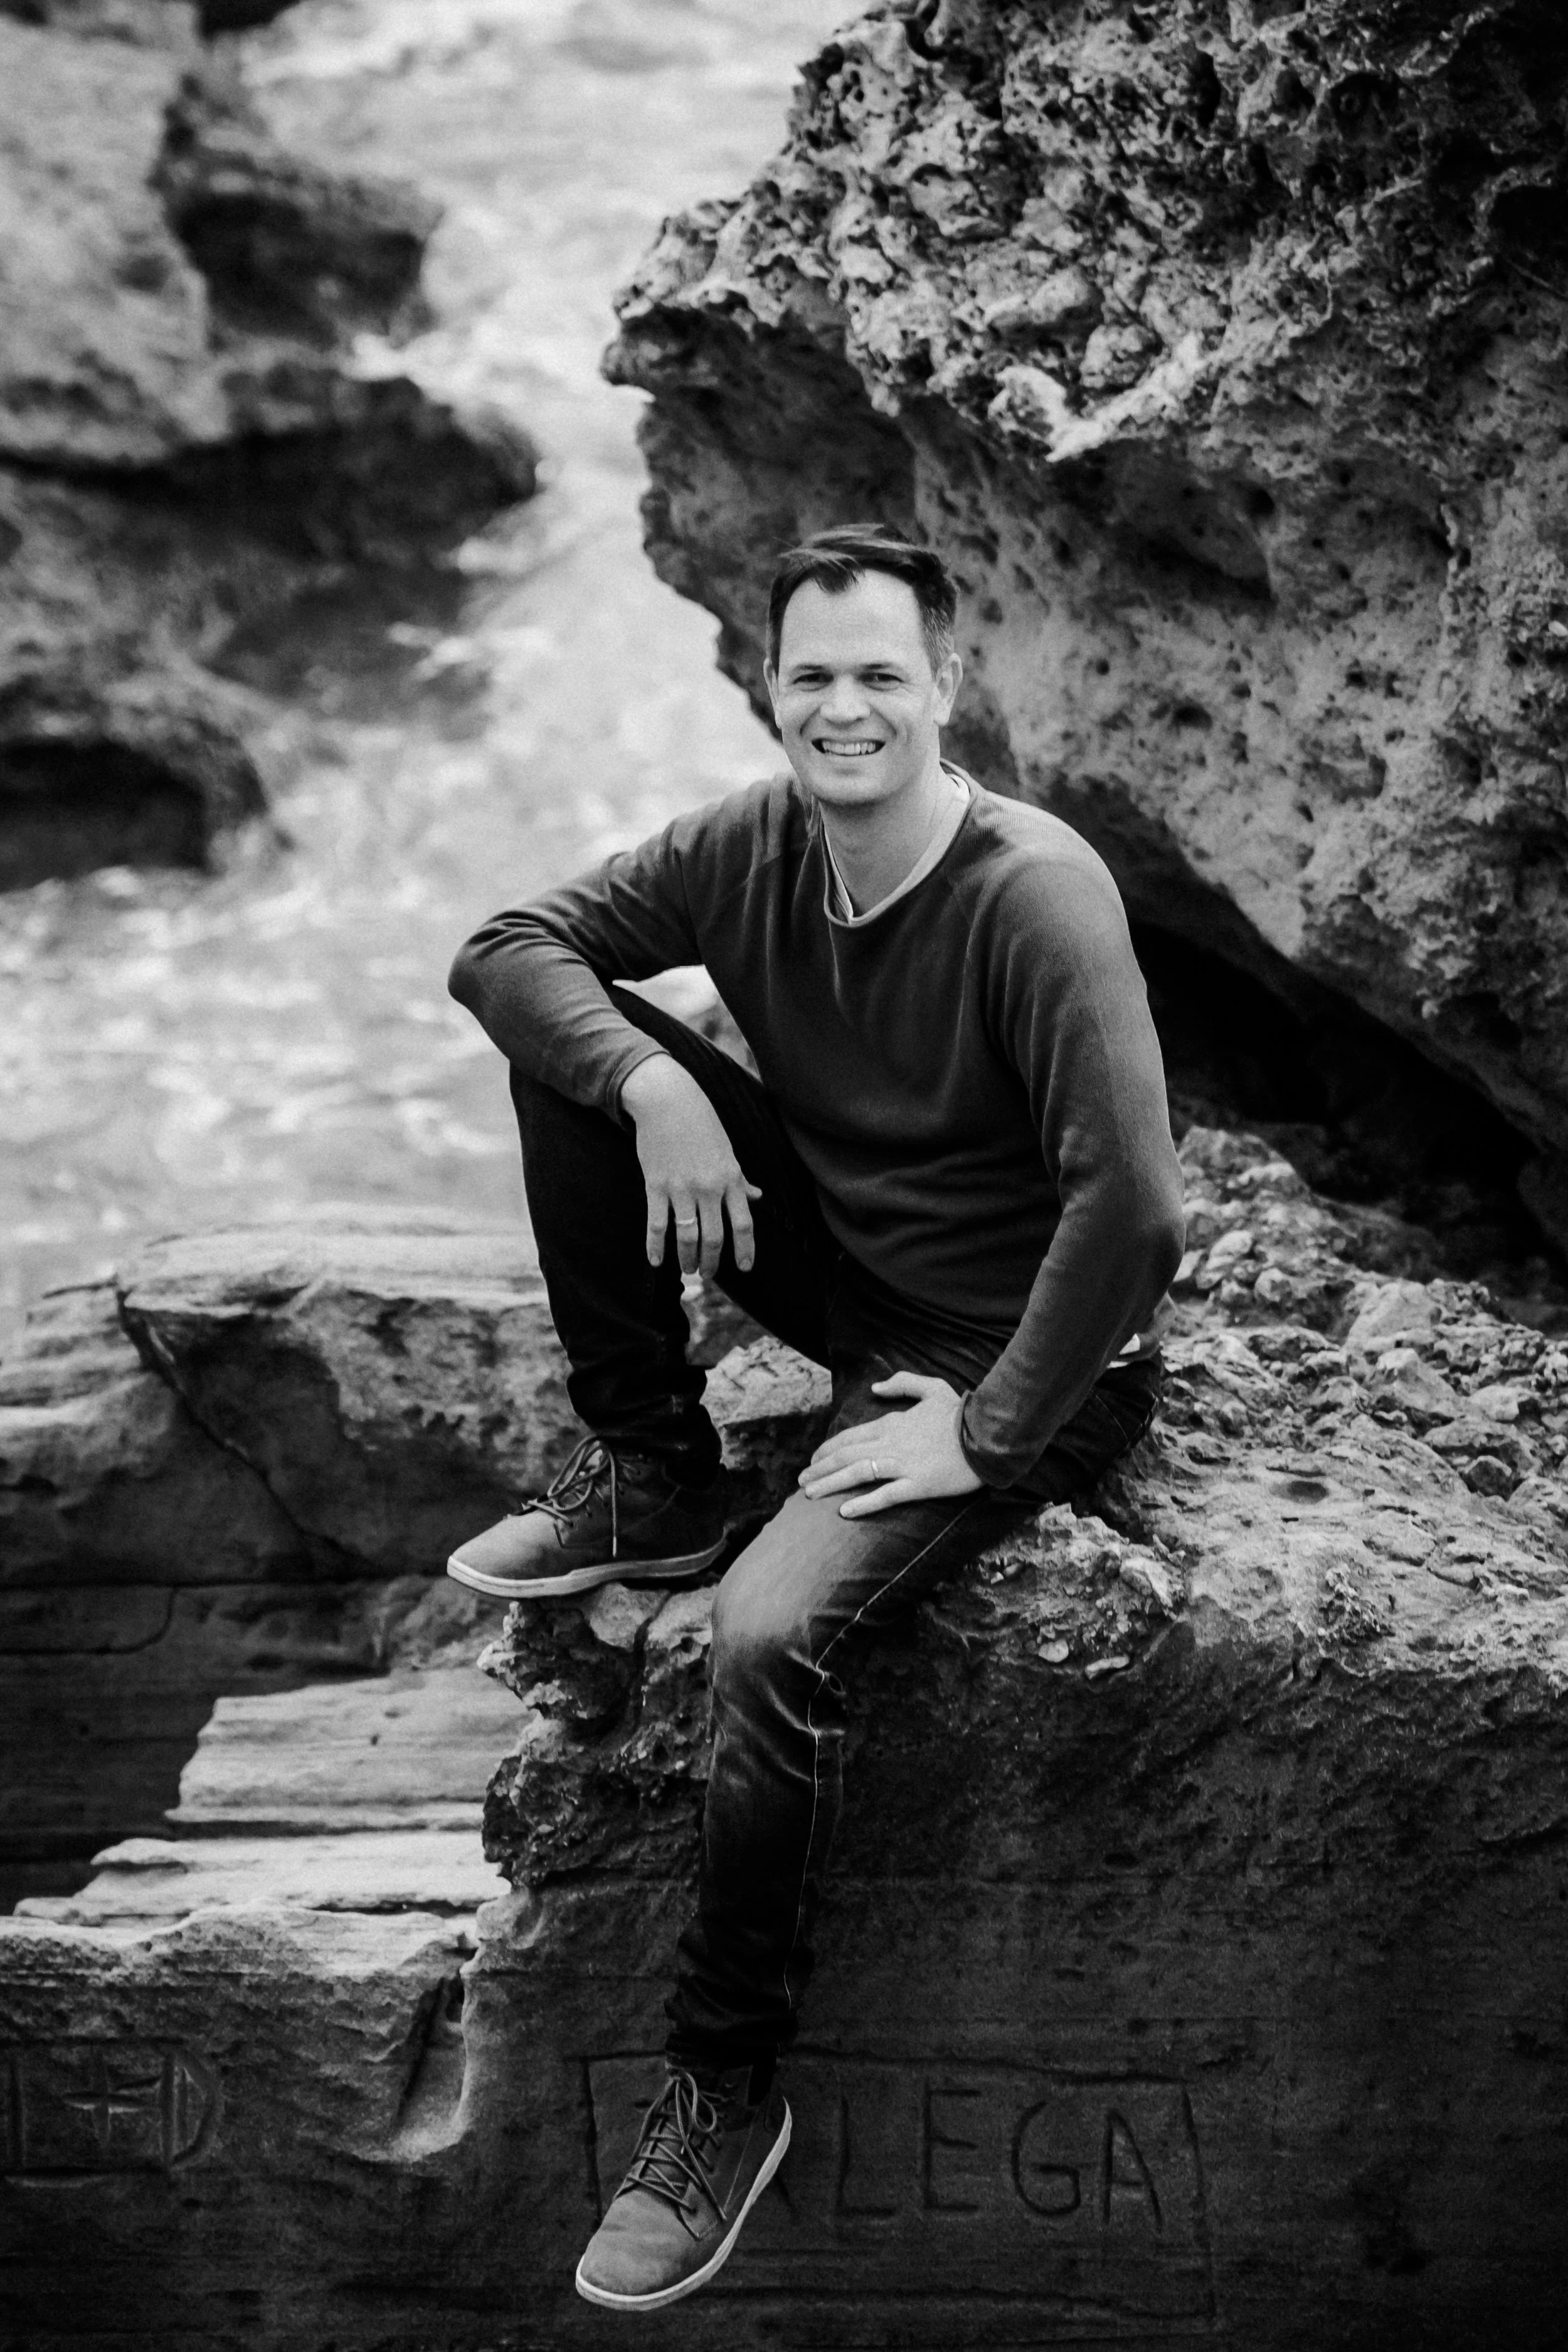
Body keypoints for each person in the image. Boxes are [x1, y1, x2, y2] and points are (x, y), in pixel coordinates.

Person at [446, 524, 1185, 2312]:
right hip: (849, 1284)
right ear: (770, 688)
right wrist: (649, 1082)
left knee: (772, 1633)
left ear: (945, 688)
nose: (843, 705)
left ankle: (722, 2082)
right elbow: (506, 945)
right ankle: (654, 1466)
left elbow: (1137, 1212)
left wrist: (992, 1433)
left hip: (1024, 1355)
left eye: (879, 673)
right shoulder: (750, 845)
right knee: (578, 1053)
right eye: (811, 675)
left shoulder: (1032, 889)